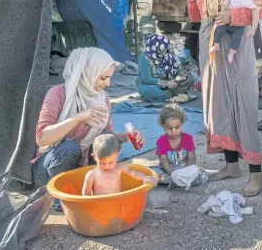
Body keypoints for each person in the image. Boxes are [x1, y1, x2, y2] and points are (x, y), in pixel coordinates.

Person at [185, 0, 262, 196]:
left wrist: (232, 18)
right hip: (210, 44)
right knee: (218, 103)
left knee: (241, 103)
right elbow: (196, 16)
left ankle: (256, 174)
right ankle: (231, 166)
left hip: (233, 43)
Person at [32, 48, 146, 208]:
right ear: (87, 73)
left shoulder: (102, 98)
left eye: (109, 78)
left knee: (106, 139)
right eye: (103, 78)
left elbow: (107, 136)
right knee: (70, 147)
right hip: (48, 171)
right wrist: (79, 117)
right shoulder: (58, 94)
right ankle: (58, 198)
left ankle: (92, 189)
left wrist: (127, 137)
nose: (108, 83)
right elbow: (42, 138)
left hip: (83, 168)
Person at [210, 0, 262, 64]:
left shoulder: (254, 6)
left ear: (261, 6)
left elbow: (255, 19)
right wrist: (226, 1)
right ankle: (216, 45)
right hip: (226, 17)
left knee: (237, 37)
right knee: (219, 29)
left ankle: (231, 53)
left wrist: (253, 30)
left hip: (238, 26)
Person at [151, 103, 208, 189]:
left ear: (182, 124)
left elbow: (191, 156)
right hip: (169, 171)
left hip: (184, 168)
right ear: (163, 126)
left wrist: (188, 171)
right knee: (152, 172)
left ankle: (178, 182)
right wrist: (172, 173)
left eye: (177, 127)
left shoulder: (188, 138)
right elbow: (163, 160)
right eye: (169, 128)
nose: (173, 131)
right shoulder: (161, 141)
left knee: (204, 174)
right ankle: (175, 181)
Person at [82, 134, 156, 196]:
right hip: (99, 206)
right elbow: (85, 194)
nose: (107, 166)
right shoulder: (92, 175)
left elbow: (135, 173)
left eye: (111, 162)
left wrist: (145, 177)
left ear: (117, 155)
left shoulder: (120, 168)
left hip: (117, 203)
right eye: (102, 163)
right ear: (94, 156)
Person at [136, 34, 193, 103]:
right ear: (155, 47)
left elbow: (178, 70)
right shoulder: (144, 58)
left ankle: (172, 93)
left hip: (169, 84)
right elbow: (147, 79)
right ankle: (172, 94)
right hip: (149, 85)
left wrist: (180, 77)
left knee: (189, 77)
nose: (165, 52)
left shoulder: (167, 55)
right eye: (162, 49)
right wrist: (167, 83)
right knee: (151, 92)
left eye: (166, 49)